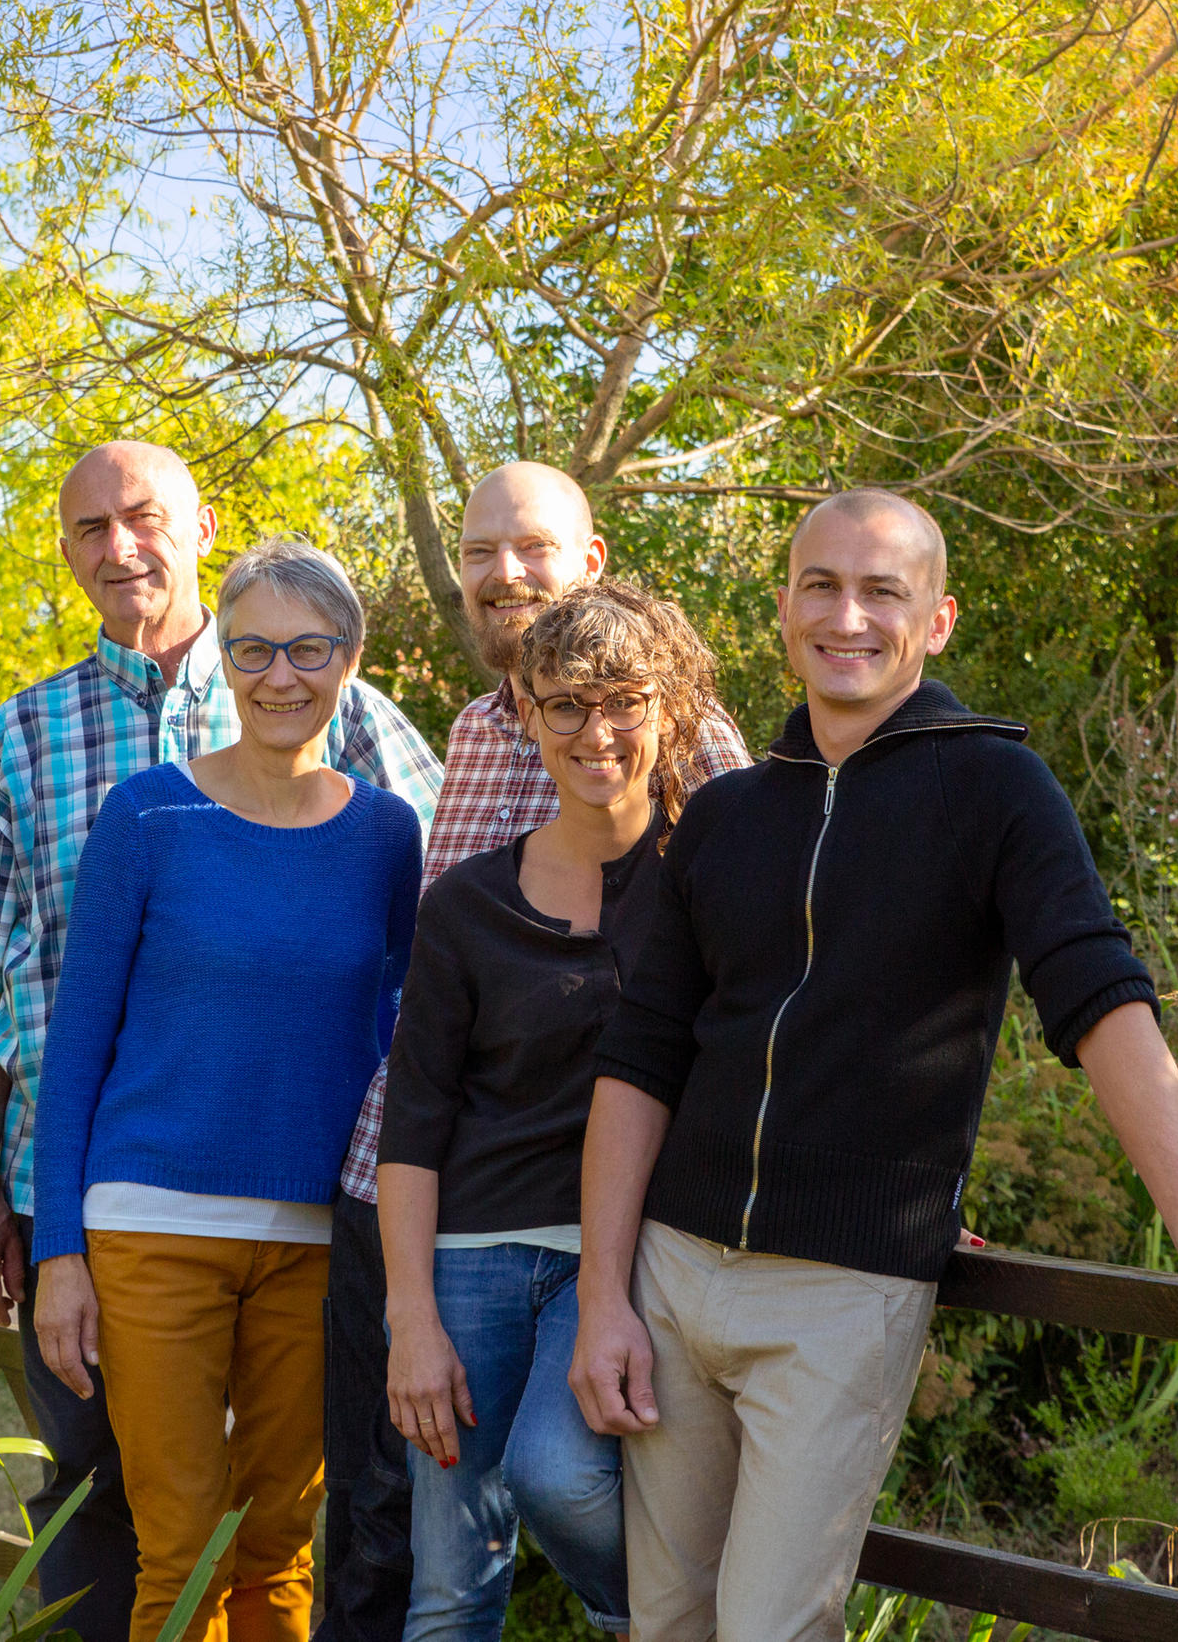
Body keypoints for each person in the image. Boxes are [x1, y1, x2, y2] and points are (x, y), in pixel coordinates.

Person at [568, 488, 1178, 1642]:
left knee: (769, 1628)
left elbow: (1094, 991)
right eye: (820, 584)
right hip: (669, 1279)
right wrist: (602, 1294)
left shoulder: (994, 791)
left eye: (883, 591)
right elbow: (640, 1058)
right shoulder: (722, 815)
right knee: (663, 1620)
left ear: (937, 620)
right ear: (784, 606)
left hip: (842, 1292)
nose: (848, 616)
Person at [0, 447, 441, 1642]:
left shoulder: (357, 736)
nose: (120, 547)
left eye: (142, 517)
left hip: (316, 1215)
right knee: (121, 1514)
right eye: (90, 528)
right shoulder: (22, 743)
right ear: (68, 550)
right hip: (107, 1204)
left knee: (274, 1540)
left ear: (198, 525)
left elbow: (441, 957)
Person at [321, 464, 753, 1642]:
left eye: (531, 549)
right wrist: (410, 1294)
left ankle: (677, 1622)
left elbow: (774, 977)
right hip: (436, 1199)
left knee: (560, 1476)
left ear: (592, 561)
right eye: (480, 553)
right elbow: (433, 1003)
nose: (504, 576)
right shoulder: (471, 742)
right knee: (414, 1544)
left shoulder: (691, 760)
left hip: (616, 1225)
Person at [30, 537, 423, 1642]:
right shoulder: (148, 817)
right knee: (182, 1549)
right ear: (227, 662)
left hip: (314, 1238)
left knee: (278, 1547)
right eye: (253, 648)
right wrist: (61, 1251)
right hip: (149, 1230)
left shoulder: (387, 836)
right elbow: (76, 1048)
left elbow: (405, 1038)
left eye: (308, 648)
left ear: (348, 657)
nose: (280, 675)